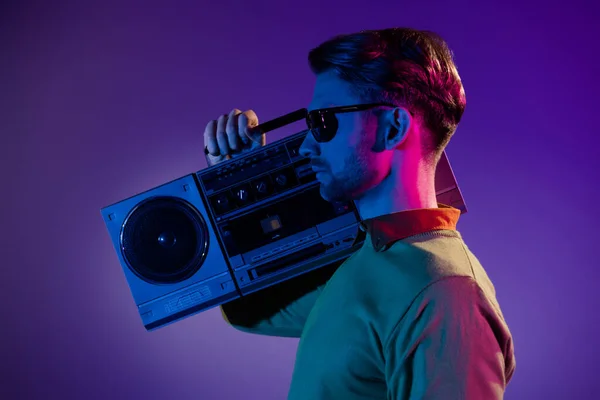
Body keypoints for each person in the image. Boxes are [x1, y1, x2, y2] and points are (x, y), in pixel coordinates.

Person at [203, 27, 516, 399]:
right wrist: (237, 188)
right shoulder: (368, 256)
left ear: (393, 127)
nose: (306, 144)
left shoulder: (447, 297)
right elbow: (252, 314)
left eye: (323, 123)